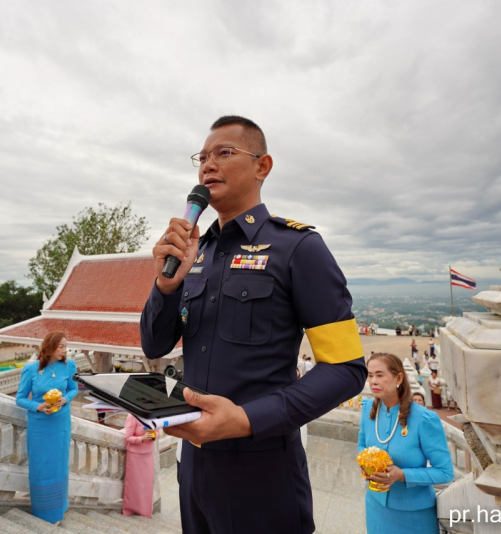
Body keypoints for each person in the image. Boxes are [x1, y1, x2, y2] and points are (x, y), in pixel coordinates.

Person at [140, 115, 367, 534]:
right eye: (202, 158)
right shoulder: (194, 252)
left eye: (224, 153)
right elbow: (154, 345)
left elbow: (346, 368)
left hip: (262, 471)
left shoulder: (298, 247)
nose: (208, 165)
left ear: (262, 166)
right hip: (194, 467)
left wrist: (245, 419)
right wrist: (166, 285)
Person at [358, 353, 454, 533]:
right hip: (375, 506)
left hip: (413, 515)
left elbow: (445, 472)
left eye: (379, 375)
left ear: (399, 378)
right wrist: (366, 465)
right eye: (370, 375)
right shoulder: (368, 409)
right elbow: (362, 446)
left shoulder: (423, 419)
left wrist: (402, 475)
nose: (373, 381)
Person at [16, 331, 78, 523]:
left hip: (61, 423)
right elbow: (19, 399)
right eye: (61, 347)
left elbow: (74, 389)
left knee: (59, 464)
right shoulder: (31, 369)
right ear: (50, 347)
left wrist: (64, 399)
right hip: (39, 426)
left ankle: (59, 507)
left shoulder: (69, 366)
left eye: (66, 346)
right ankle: (43, 512)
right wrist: (38, 407)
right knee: (40, 466)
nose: (65, 350)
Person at [122, 415, 157, 517]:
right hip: (135, 455)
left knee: (147, 484)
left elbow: (158, 432)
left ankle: (145, 511)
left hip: (148, 454)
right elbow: (127, 437)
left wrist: (153, 435)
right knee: (133, 485)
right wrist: (142, 438)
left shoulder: (153, 416)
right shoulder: (132, 417)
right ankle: (130, 509)